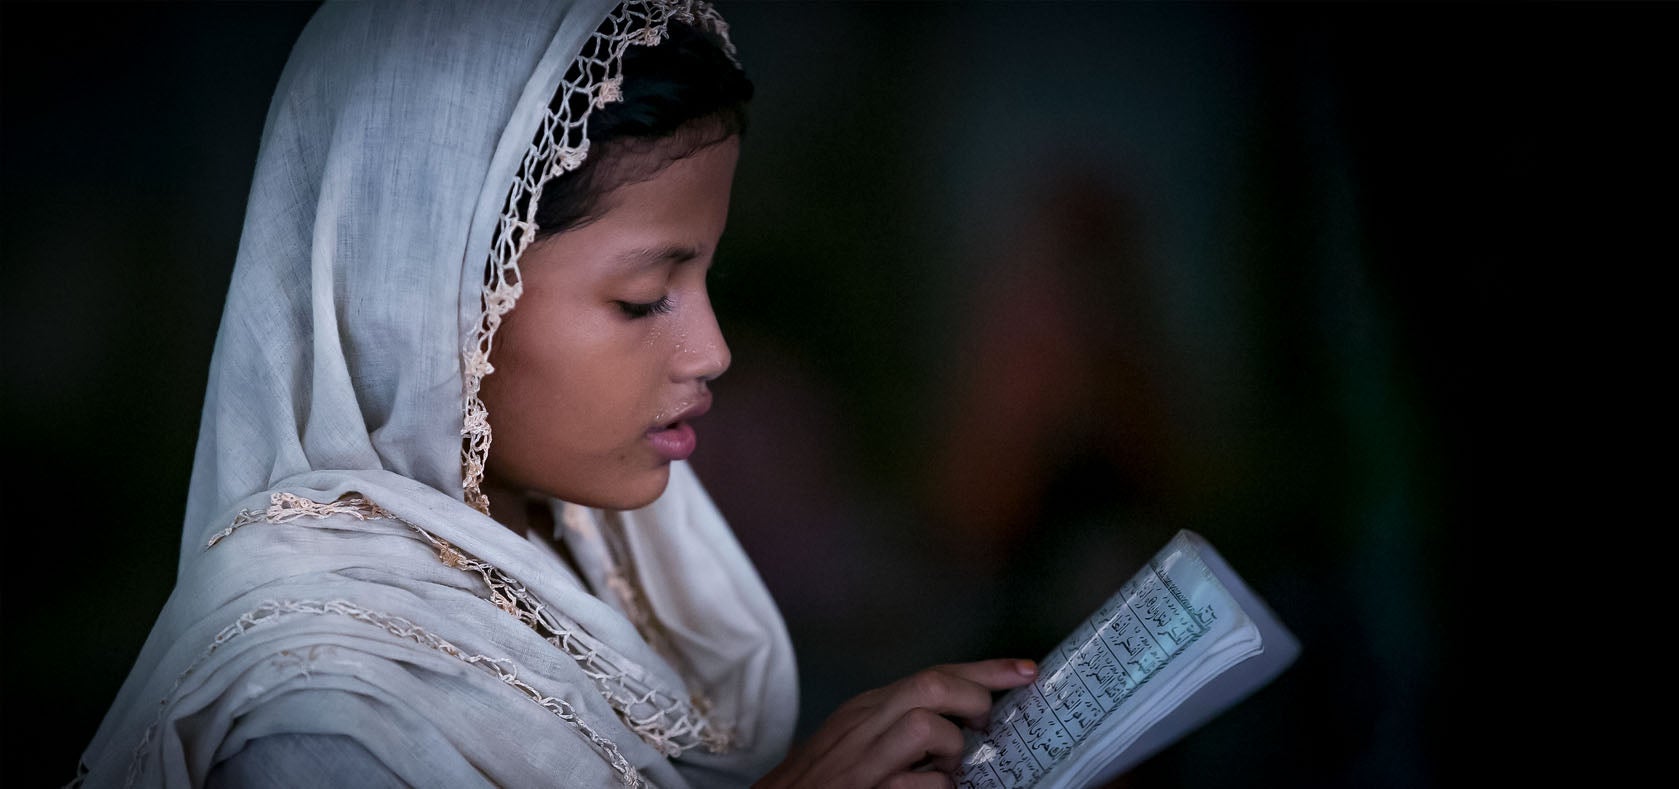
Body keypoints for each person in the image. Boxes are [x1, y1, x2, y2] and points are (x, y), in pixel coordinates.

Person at [72, 1, 1036, 787]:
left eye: (706, 282)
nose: (711, 351)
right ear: (430, 301)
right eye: (644, 297)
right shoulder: (323, 712)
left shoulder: (614, 553)